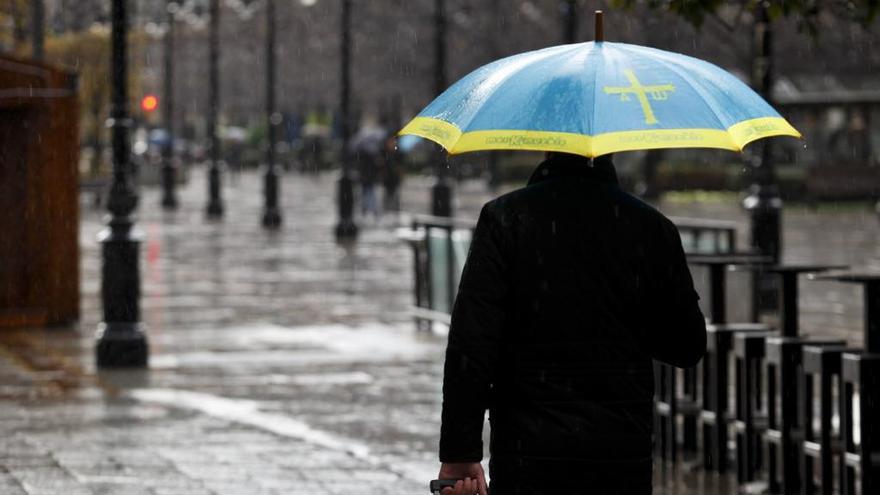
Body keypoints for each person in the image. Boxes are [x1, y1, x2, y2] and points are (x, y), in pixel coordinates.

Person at [437, 152, 707, 495]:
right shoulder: (652, 228)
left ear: (548, 147)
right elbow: (687, 345)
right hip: (619, 454)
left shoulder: (505, 219)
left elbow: (471, 344)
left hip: (527, 454)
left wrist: (460, 453)